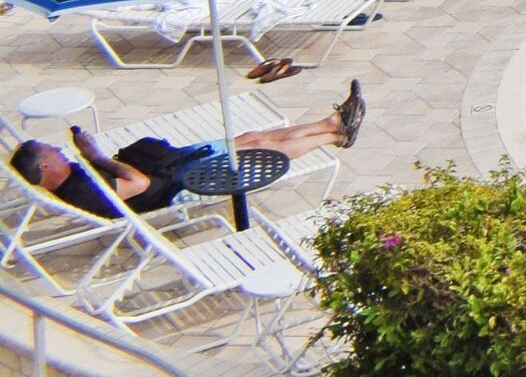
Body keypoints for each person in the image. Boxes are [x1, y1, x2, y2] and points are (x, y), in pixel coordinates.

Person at [16, 87, 365, 222]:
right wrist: (94, 156)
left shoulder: (67, 180)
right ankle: (334, 137)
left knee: (251, 137)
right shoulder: (80, 191)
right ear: (45, 165)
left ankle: (333, 123)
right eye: (53, 151)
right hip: (178, 182)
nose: (60, 151)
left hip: (173, 166)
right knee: (261, 150)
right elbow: (137, 183)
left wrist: (92, 157)